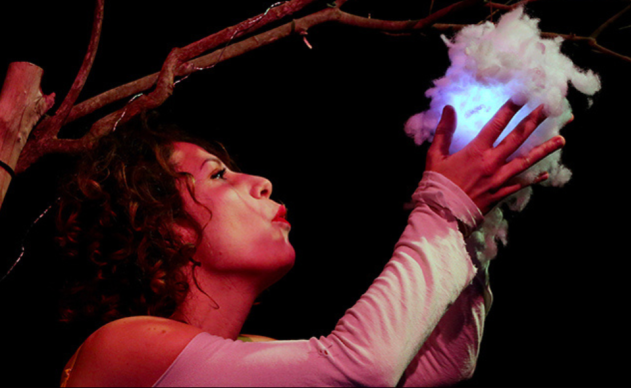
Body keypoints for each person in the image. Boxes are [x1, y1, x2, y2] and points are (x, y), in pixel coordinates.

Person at [54, 100, 564, 387]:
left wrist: (473, 223)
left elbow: (436, 368)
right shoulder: (122, 348)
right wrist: (446, 206)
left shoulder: (253, 349)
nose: (261, 182)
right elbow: (365, 365)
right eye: (217, 174)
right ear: (164, 225)